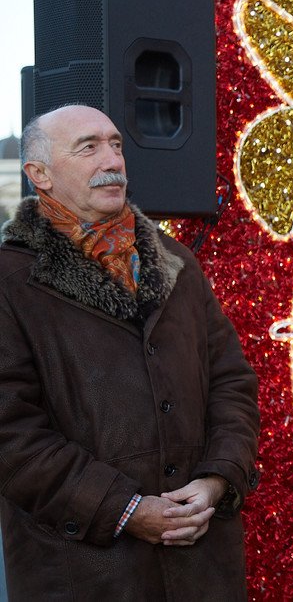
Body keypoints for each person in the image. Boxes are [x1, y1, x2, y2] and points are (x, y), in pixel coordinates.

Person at [0, 106, 261, 599]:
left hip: (203, 570)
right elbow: (11, 435)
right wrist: (124, 509)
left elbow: (233, 383)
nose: (112, 160)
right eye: (88, 147)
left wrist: (217, 478)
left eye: (116, 144)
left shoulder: (177, 261)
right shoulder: (11, 281)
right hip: (84, 576)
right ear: (39, 175)